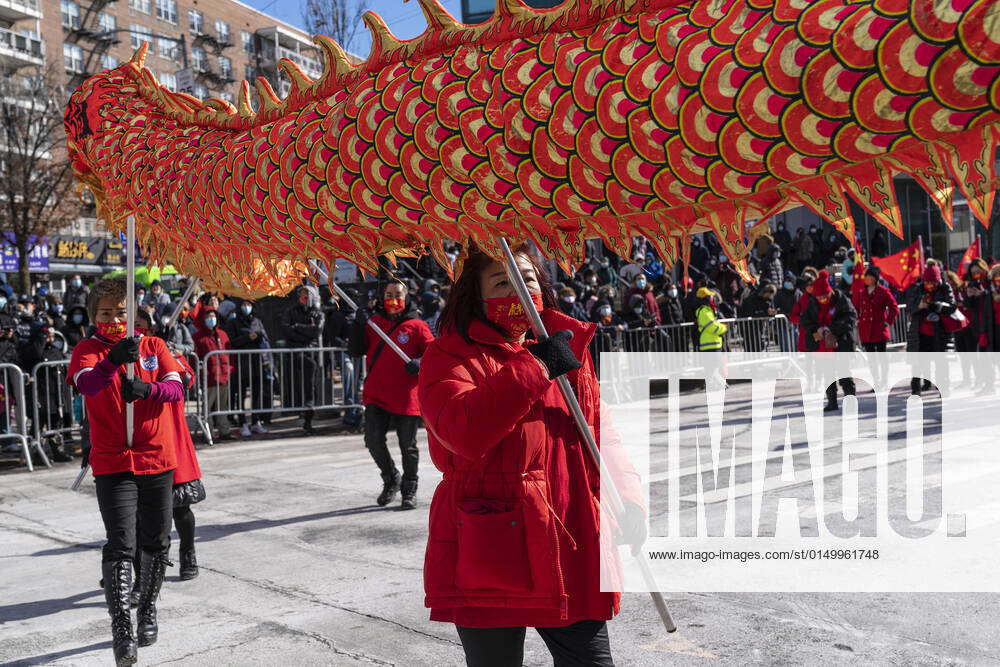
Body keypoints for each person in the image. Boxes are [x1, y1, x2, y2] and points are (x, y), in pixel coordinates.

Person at [416, 244, 644, 666]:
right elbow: (462, 430)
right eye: (503, 282)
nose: (520, 290)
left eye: (529, 279)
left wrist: (629, 498)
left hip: (571, 538)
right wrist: (536, 368)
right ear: (475, 296)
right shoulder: (447, 356)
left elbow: (599, 432)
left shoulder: (567, 344)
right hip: (492, 544)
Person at [67, 278, 185, 665]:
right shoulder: (86, 351)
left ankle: (148, 608)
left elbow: (176, 388)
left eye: (121, 312)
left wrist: (147, 391)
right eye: (106, 313)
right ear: (93, 316)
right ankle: (122, 629)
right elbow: (88, 385)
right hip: (114, 462)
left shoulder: (154, 346)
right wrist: (114, 359)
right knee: (120, 544)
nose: (115, 319)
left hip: (156, 459)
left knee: (156, 543)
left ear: (133, 313)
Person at [349, 280, 433, 509]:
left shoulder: (417, 326)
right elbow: (355, 350)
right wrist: (357, 325)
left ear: (406, 298)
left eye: (397, 294)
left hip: (406, 396)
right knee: (373, 441)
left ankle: (409, 487)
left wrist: (420, 362)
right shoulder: (373, 323)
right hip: (377, 394)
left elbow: (434, 355)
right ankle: (391, 478)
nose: (393, 298)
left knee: (408, 445)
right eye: (388, 293)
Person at [800, 270, 857, 411]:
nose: (823, 299)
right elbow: (805, 321)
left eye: (825, 296)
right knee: (827, 374)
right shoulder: (812, 303)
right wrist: (816, 330)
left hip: (841, 342)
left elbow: (851, 317)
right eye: (820, 297)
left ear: (830, 292)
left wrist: (831, 328)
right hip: (822, 346)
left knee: (844, 373)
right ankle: (832, 401)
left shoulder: (841, 299)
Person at [280, 285, 324, 434]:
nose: (303, 298)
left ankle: (308, 418)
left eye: (306, 295)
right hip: (295, 352)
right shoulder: (290, 311)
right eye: (301, 295)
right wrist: (304, 332)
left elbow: (316, 330)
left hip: (311, 353)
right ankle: (299, 412)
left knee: (310, 386)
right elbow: (286, 329)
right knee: (296, 386)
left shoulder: (317, 313)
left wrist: (297, 326)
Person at [906, 263, 955, 395]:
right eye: (927, 283)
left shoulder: (945, 288)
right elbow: (909, 307)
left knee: (941, 363)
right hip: (919, 333)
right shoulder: (917, 289)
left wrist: (936, 305)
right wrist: (919, 306)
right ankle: (916, 390)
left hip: (939, 333)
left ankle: (943, 388)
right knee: (917, 364)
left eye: (933, 283)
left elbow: (951, 306)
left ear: (938, 281)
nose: (930, 286)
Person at [224, 299, 270, 436]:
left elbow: (265, 337)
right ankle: (242, 422)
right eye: (244, 304)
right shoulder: (233, 322)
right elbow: (231, 342)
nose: (246, 307)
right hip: (241, 363)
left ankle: (256, 421)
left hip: (257, 362)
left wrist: (258, 336)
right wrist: (247, 337)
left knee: (256, 394)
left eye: (249, 305)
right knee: (241, 394)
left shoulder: (257, 321)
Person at [193, 308, 235, 441]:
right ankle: (208, 432)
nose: (211, 319)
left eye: (213, 316)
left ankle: (225, 431)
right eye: (208, 317)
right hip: (209, 378)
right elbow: (195, 359)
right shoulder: (198, 337)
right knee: (208, 407)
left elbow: (229, 354)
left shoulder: (222, 334)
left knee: (223, 406)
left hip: (223, 376)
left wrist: (230, 370)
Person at [694, 287, 728, 351]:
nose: (711, 298)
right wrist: (724, 328)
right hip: (710, 346)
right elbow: (712, 326)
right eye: (709, 296)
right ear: (706, 298)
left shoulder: (706, 310)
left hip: (711, 345)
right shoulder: (704, 311)